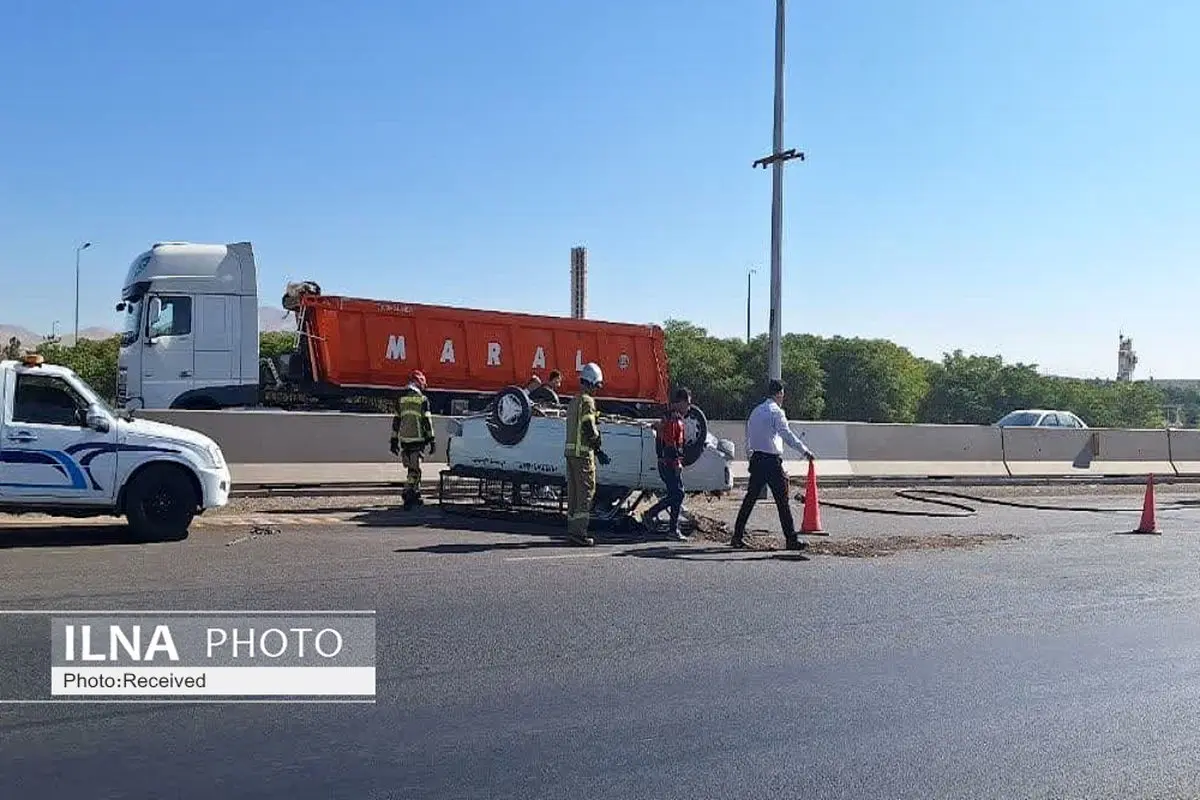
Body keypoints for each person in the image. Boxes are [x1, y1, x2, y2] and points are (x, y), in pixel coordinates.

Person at [731, 378, 816, 550]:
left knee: (750, 499)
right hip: (771, 461)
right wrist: (805, 451)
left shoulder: (755, 411)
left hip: (757, 459)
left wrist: (751, 458)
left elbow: (749, 438)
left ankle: (737, 535)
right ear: (780, 393)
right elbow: (787, 435)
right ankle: (791, 539)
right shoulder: (776, 412)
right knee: (782, 501)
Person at [563, 362, 610, 546]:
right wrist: (598, 447)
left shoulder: (574, 400)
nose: (597, 390)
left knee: (574, 494)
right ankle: (579, 533)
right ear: (591, 383)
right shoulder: (588, 401)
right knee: (585, 494)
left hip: (571, 454)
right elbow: (589, 428)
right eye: (597, 386)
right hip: (582, 456)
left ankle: (573, 530)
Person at [640, 387, 692, 541]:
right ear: (681, 402)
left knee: (676, 494)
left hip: (668, 462)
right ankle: (653, 515)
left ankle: (672, 528)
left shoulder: (670, 417)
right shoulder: (673, 419)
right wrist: (676, 463)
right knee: (678, 494)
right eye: (688, 403)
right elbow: (670, 443)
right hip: (669, 463)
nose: (689, 407)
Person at [389, 370, 437, 510]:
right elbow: (427, 421)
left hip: (404, 441)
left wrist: (393, 441)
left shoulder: (401, 399)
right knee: (415, 471)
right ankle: (408, 492)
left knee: (411, 469)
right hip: (417, 440)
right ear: (419, 382)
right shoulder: (422, 400)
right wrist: (432, 439)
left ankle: (415, 494)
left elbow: (396, 421)